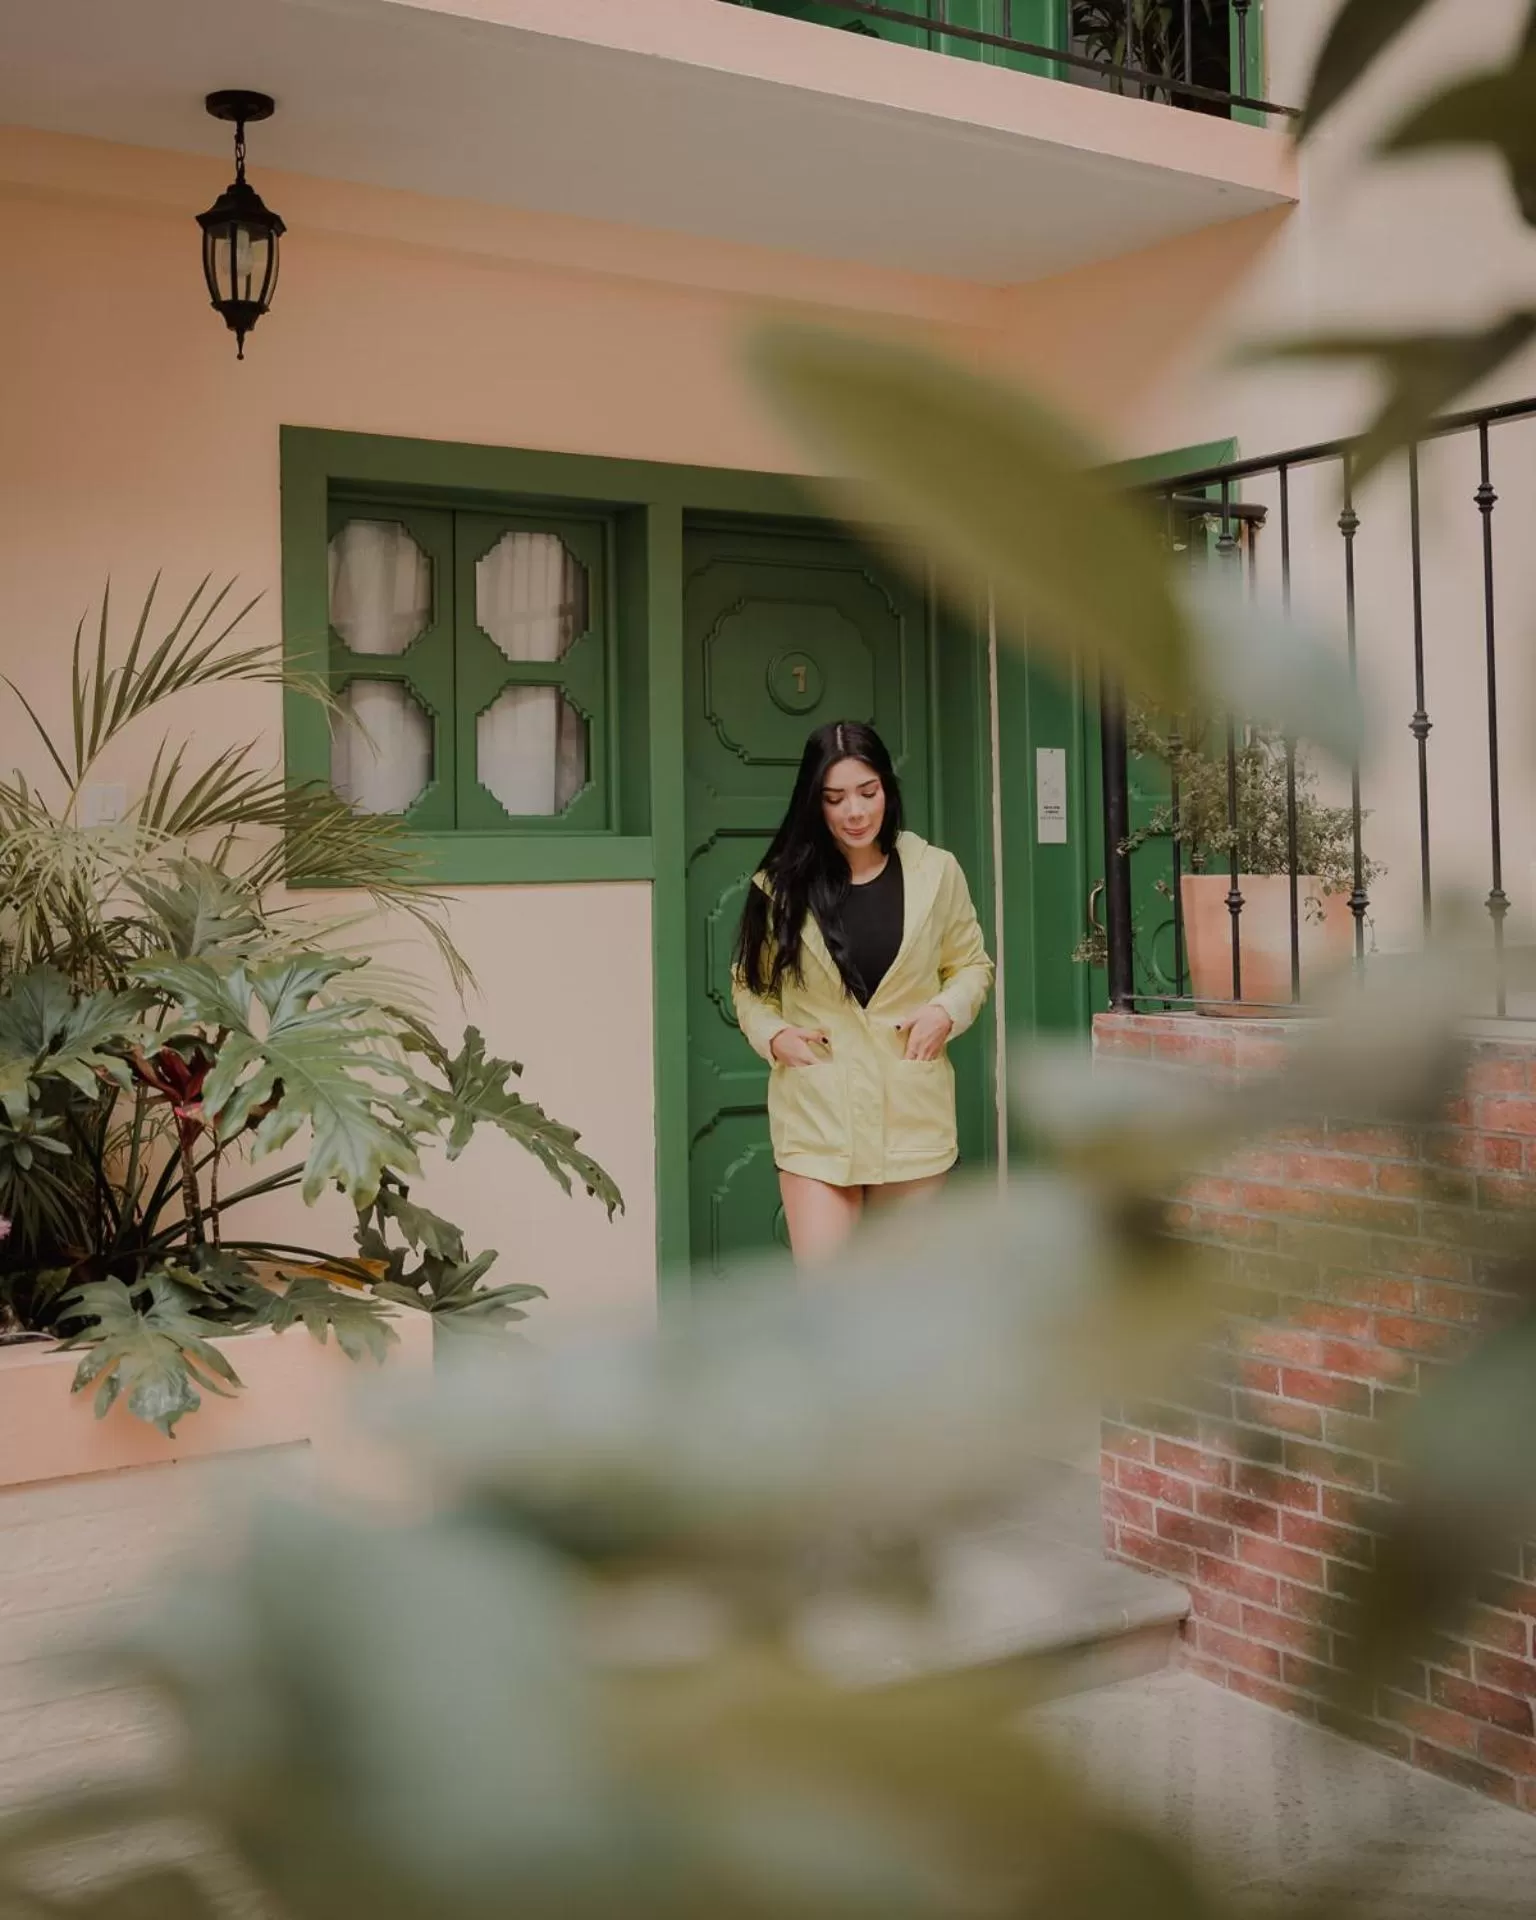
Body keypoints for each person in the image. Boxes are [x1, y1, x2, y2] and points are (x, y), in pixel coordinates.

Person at [731, 719, 994, 1267]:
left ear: (887, 790)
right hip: (818, 1110)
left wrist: (946, 1011)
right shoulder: (780, 887)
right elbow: (751, 988)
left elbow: (971, 965)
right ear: (815, 803)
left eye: (867, 792)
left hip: (911, 1112)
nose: (854, 812)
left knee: (901, 1296)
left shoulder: (937, 872)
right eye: (835, 798)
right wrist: (775, 1036)